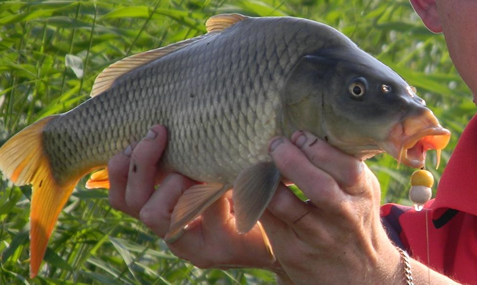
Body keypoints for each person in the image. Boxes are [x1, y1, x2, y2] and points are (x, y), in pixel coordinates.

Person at [107, 0, 476, 283]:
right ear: (428, 3)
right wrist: (289, 257)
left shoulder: (387, 251)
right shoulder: (406, 239)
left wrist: (381, 273)